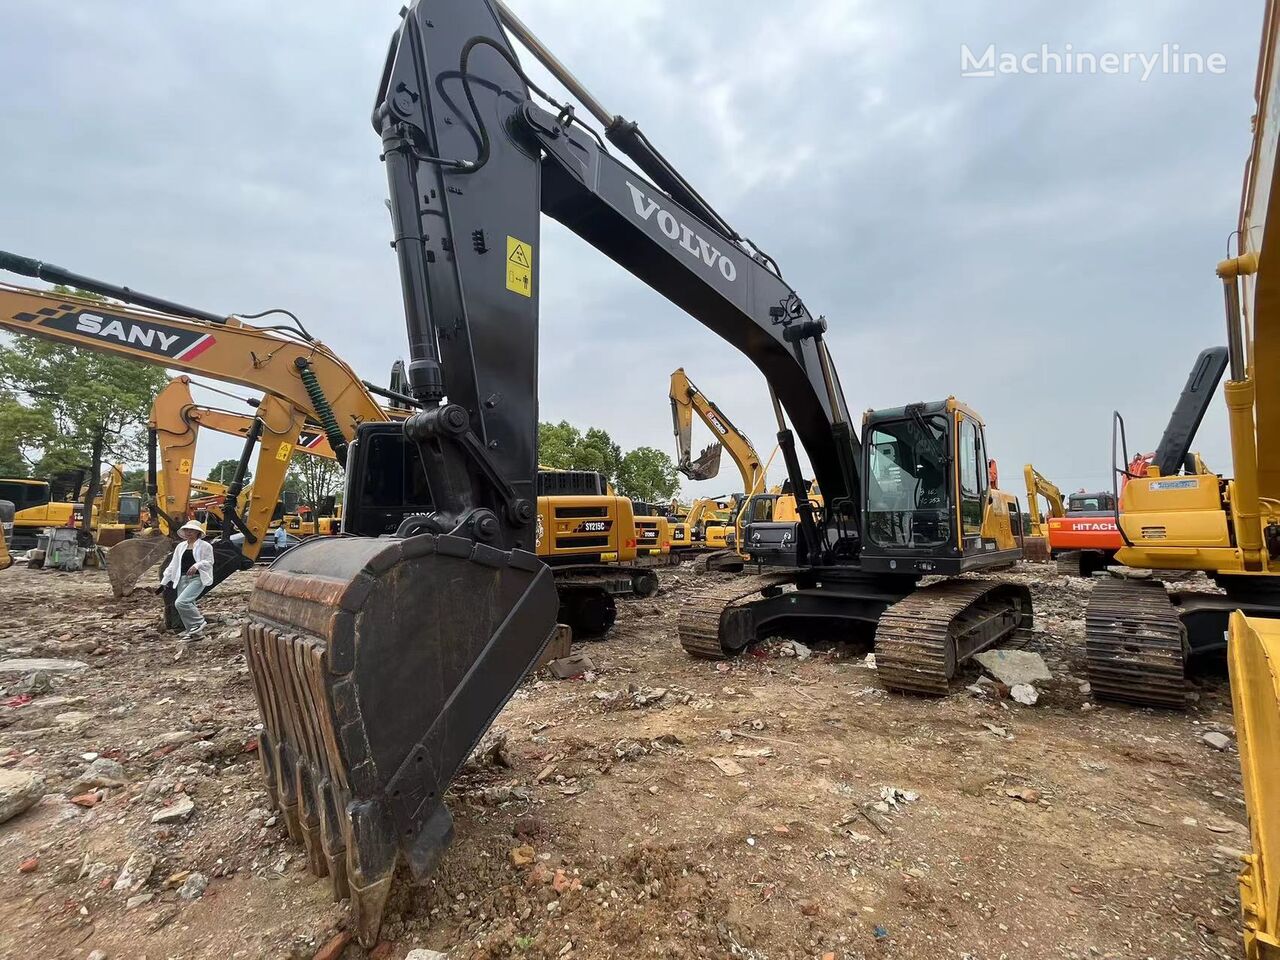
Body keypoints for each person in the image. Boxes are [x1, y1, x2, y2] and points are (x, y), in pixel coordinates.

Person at [159, 520, 214, 639]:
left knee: (181, 602)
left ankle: (198, 622)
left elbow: (209, 562)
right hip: (182, 579)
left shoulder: (205, 546)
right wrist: (164, 581)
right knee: (189, 604)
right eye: (187, 530)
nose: (189, 532)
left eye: (192, 530)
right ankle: (194, 633)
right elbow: (174, 564)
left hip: (197, 578)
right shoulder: (181, 546)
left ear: (198, 532)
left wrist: (196, 565)